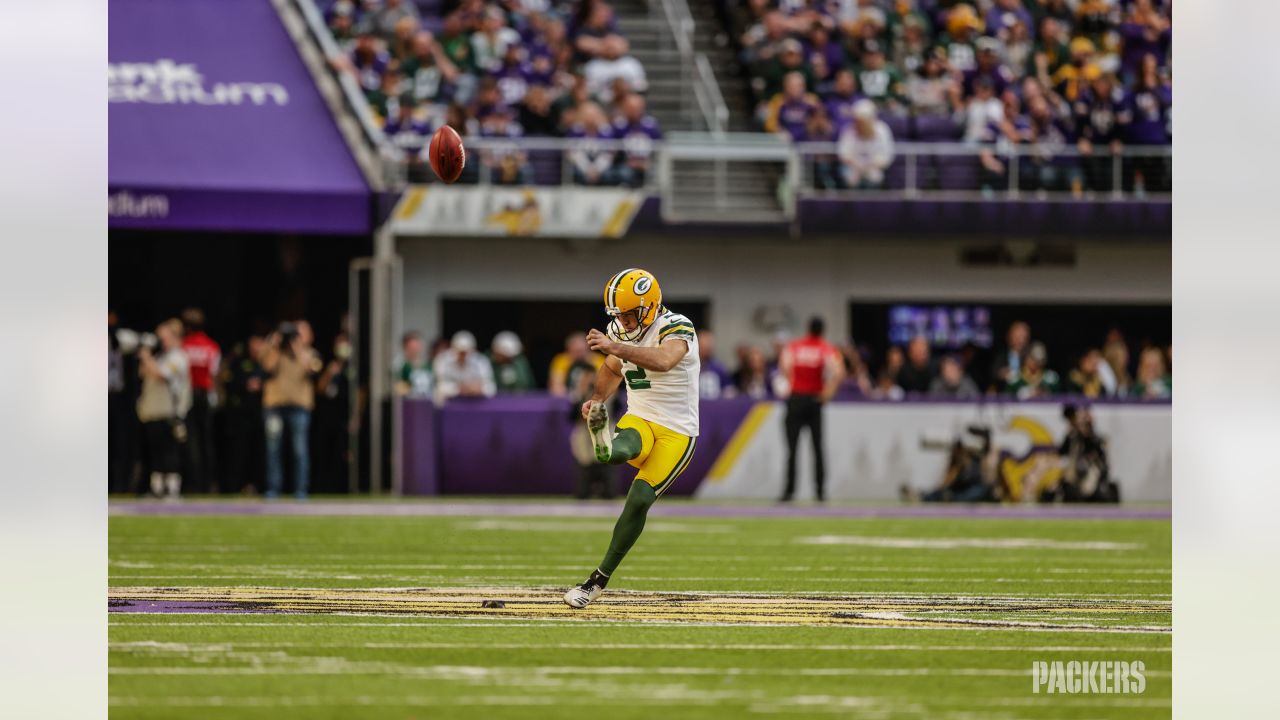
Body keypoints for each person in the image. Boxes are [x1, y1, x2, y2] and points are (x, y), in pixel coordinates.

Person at [564, 268, 700, 609]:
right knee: (617, 452)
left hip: (678, 430)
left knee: (638, 500)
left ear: (650, 305)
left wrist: (615, 346)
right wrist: (597, 400)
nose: (623, 321)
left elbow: (666, 360)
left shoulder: (677, 326)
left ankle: (598, 580)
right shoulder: (618, 332)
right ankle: (604, 439)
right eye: (618, 315)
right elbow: (611, 367)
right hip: (640, 415)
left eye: (629, 313)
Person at [777, 316, 845, 502]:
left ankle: (789, 491)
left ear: (808, 328)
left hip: (796, 398)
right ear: (822, 330)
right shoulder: (826, 348)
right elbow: (839, 372)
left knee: (792, 449)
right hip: (815, 400)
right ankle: (820, 492)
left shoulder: (794, 346)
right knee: (818, 448)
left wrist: (793, 381)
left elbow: (784, 367)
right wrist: (827, 393)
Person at [260, 321, 321, 499]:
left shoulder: (310, 354)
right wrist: (276, 344)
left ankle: (301, 489)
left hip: (299, 407)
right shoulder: (275, 352)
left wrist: (297, 348)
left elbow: (311, 369)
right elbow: (268, 367)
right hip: (275, 406)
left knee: (300, 449)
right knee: (273, 449)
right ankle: (273, 488)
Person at [136, 319, 192, 499]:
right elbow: (144, 372)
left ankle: (172, 488)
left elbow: (162, 375)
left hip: (170, 411)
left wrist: (145, 356)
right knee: (156, 452)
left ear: (175, 337)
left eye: (164, 337)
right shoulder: (160, 356)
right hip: (153, 410)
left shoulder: (178, 357)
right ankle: (157, 487)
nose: (160, 341)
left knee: (170, 452)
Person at [180, 308, 221, 493]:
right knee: (207, 440)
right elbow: (214, 374)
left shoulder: (183, 345)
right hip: (206, 394)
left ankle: (195, 484)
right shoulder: (212, 346)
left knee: (192, 440)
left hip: (189, 395)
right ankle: (209, 483)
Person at [836, 99, 895, 189]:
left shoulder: (882, 130)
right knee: (849, 176)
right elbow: (843, 153)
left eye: (862, 121)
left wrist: (870, 166)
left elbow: (887, 156)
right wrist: (857, 166)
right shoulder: (849, 130)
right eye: (857, 120)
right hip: (854, 168)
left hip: (874, 169)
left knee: (874, 177)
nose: (858, 124)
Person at [434, 330, 497, 401]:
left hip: (475, 404)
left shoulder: (481, 361)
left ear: (473, 350)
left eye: (466, 352)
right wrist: (459, 389)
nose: (463, 355)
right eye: (460, 351)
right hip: (449, 404)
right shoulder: (442, 360)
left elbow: (491, 388)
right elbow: (439, 386)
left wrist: (480, 388)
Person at [696, 329, 733, 399]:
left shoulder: (719, 367)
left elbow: (728, 391)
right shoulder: (689, 366)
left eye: (710, 343)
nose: (708, 346)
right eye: (704, 343)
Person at [396, 331, 434, 398]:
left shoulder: (429, 366)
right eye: (411, 347)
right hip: (410, 404)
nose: (415, 349)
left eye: (417, 346)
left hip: (427, 403)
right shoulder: (401, 366)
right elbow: (399, 388)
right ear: (405, 347)